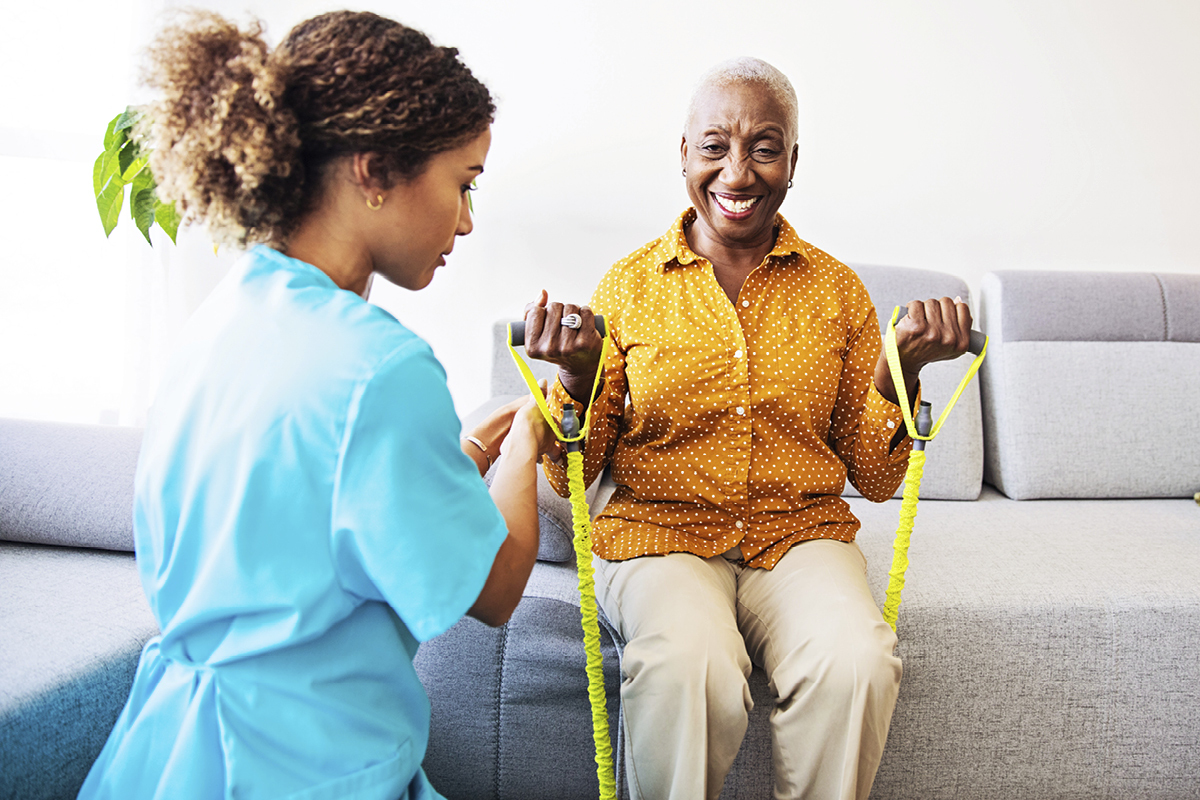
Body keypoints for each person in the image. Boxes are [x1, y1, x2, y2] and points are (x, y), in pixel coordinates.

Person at [78, 11, 557, 800]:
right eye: (463, 183)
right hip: (310, 770)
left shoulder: (222, 319)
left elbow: (312, 518)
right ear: (374, 171)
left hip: (170, 756)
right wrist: (524, 445)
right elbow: (498, 586)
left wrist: (464, 452)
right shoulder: (382, 367)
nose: (468, 220)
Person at [521, 58, 973, 800]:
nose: (737, 172)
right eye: (714, 146)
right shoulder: (629, 286)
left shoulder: (837, 289)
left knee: (856, 662)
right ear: (683, 155)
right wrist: (577, 377)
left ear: (792, 161)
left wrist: (904, 369)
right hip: (660, 532)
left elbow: (875, 476)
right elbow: (576, 470)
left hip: (797, 534)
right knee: (687, 667)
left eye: (764, 148)